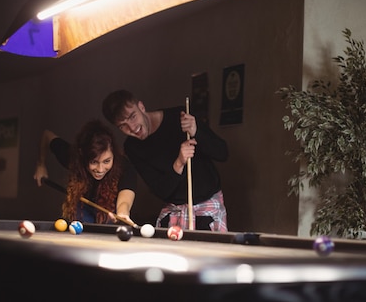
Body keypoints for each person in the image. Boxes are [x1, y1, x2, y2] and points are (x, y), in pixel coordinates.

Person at [102, 89, 229, 231]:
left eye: (132, 117)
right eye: (122, 125)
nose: (132, 128)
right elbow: (161, 191)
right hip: (174, 211)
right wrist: (179, 163)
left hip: (208, 207)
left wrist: (196, 131)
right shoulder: (132, 147)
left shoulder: (180, 116)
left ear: (141, 107)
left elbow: (222, 153)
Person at [33, 120, 137, 225]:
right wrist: (41, 165)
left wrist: (122, 213)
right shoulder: (73, 158)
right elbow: (47, 135)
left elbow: (125, 199)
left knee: (109, 222)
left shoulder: (124, 166)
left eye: (106, 161)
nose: (100, 169)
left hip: (109, 208)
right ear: (82, 155)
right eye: (94, 162)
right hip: (82, 205)